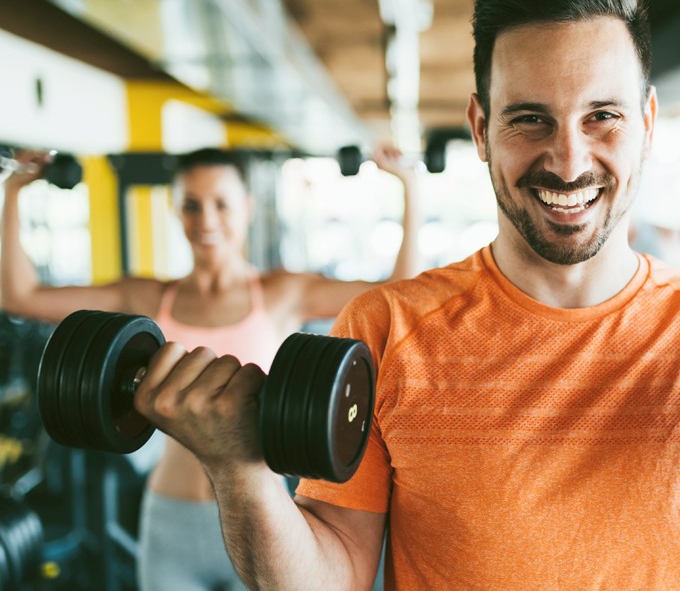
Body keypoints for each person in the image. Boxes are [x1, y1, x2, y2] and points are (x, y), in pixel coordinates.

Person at [126, 0, 680, 588]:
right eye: (529, 119)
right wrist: (239, 474)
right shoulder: (386, 327)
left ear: (648, 122)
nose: (569, 156)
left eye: (602, 117)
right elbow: (329, 578)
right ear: (479, 126)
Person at [1, 145, 422, 590]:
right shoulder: (148, 298)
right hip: (171, 513)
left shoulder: (281, 292)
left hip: (263, 516)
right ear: (175, 210)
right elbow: (20, 296)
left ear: (246, 208)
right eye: (191, 205)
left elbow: (399, 294)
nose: (206, 219)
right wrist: (12, 190)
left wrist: (410, 188)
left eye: (221, 203)